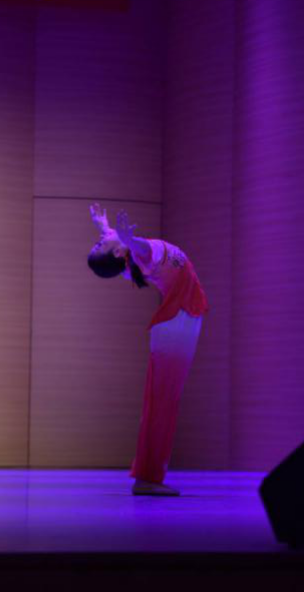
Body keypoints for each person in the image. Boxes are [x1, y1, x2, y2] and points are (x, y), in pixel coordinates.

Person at [87, 203, 209, 496]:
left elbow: (117, 240)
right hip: (177, 323)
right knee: (162, 405)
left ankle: (147, 476)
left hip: (178, 321)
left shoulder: (129, 259)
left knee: (161, 403)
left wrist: (104, 226)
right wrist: (129, 239)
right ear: (119, 252)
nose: (102, 238)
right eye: (100, 244)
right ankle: (148, 478)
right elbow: (137, 246)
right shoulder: (140, 255)